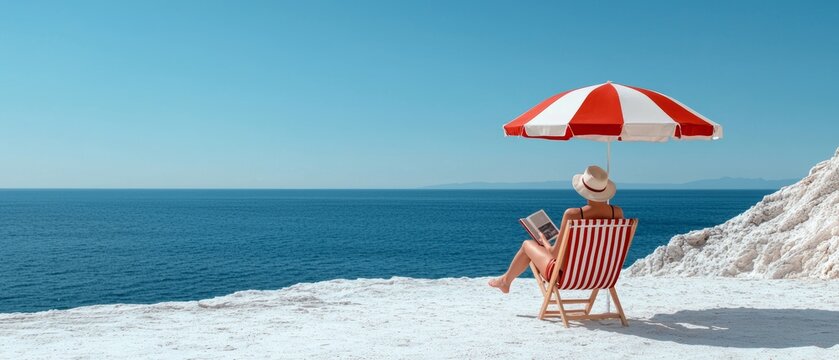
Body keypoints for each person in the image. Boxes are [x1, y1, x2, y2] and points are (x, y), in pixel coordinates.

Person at [488, 165, 624, 293]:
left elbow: (554, 255)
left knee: (527, 245)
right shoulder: (617, 213)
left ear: (584, 190)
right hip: (603, 275)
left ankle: (505, 282)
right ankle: (505, 281)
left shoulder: (574, 214)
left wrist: (544, 241)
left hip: (567, 276)